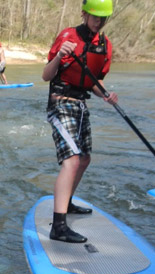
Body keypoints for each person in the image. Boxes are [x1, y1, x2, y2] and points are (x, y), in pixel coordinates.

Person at [41, 0, 118, 243]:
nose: (99, 21)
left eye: (103, 18)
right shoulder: (68, 35)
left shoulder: (105, 46)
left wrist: (107, 95)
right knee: (72, 161)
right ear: (85, 14)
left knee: (84, 159)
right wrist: (59, 55)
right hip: (60, 102)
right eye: (95, 16)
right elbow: (46, 75)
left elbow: (95, 81)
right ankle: (59, 226)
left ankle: (68, 202)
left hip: (81, 106)